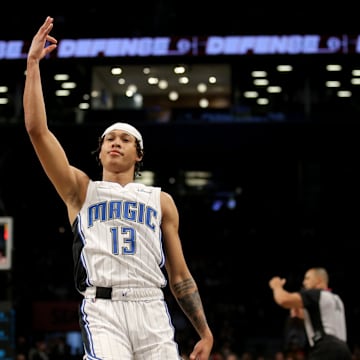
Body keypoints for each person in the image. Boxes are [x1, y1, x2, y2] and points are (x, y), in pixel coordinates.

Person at [23, 16, 214, 360]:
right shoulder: (80, 189)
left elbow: (180, 276)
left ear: (138, 154)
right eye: (109, 138)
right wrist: (33, 65)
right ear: (99, 151)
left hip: (152, 307)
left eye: (125, 139)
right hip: (103, 307)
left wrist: (204, 331)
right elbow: (38, 131)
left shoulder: (161, 200)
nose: (115, 143)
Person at [268, 267, 352, 360]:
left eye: (307, 278)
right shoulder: (336, 299)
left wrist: (276, 286)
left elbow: (283, 300)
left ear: (319, 280)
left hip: (325, 348)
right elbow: (320, 318)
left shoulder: (315, 294)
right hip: (344, 350)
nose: (304, 282)